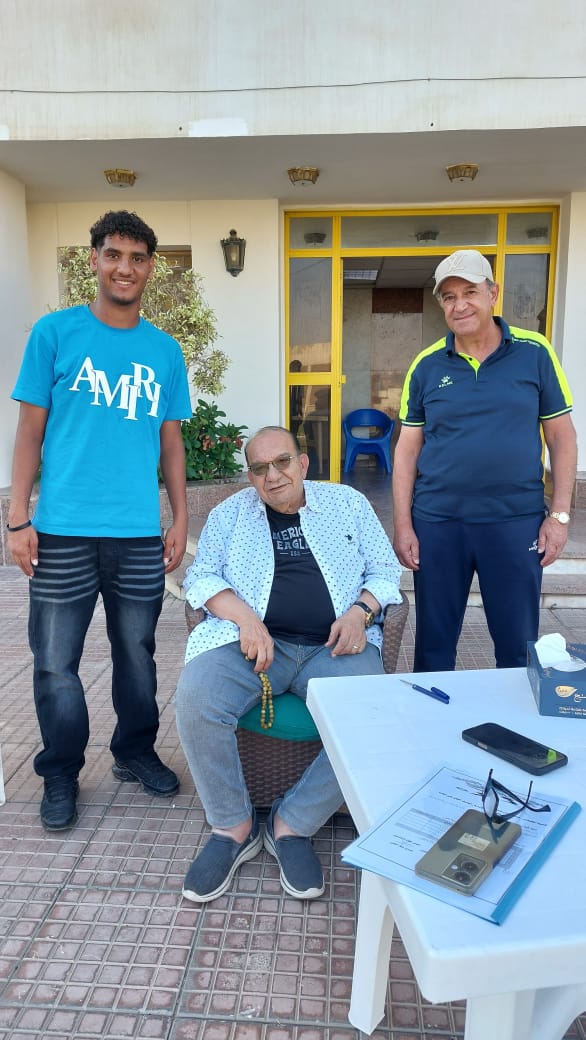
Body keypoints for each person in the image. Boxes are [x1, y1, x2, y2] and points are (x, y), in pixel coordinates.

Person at [7, 210, 192, 831]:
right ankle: (61, 770)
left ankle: (134, 751)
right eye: (114, 255)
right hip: (62, 531)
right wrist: (18, 518)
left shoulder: (164, 350)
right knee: (55, 661)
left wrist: (179, 518)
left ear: (150, 268)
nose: (125, 268)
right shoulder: (54, 334)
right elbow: (29, 431)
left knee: (137, 654)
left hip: (136, 534)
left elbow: (170, 441)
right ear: (94, 260)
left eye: (137, 259)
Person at [175, 425, 402, 903]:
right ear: (250, 476)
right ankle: (232, 827)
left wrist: (360, 613)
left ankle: (291, 824)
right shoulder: (229, 515)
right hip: (254, 646)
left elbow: (385, 571)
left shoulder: (348, 503)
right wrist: (247, 621)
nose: (272, 476)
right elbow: (201, 577)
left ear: (303, 463)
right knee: (197, 698)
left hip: (334, 646)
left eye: (282, 462)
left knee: (375, 713)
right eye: (259, 468)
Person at [392, 249, 577, 672]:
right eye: (449, 297)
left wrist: (559, 516)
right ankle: (433, 712)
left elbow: (562, 437)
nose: (459, 305)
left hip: (514, 522)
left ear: (493, 293)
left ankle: (516, 716)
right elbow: (407, 449)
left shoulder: (534, 352)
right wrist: (403, 524)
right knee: (433, 648)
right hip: (439, 523)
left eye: (470, 292)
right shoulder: (426, 365)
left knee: (516, 647)